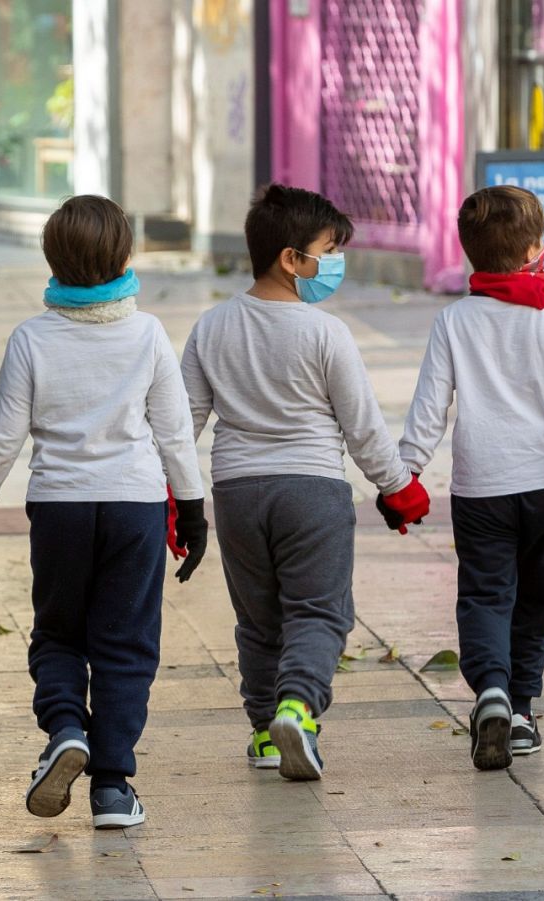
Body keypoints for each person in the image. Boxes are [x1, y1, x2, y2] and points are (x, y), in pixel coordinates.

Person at [0, 195, 207, 830]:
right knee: (125, 643)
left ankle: (67, 727)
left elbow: (3, 439)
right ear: (124, 256)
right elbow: (174, 434)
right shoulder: (147, 333)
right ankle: (114, 787)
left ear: (51, 260)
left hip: (60, 510)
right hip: (136, 506)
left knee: (60, 631)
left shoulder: (32, 338)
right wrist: (195, 511)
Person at [181, 184, 430, 782]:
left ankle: (266, 731)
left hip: (237, 493)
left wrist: (170, 493)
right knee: (319, 613)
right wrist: (399, 490)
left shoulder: (212, 326)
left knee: (258, 619)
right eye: (329, 249)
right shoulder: (326, 333)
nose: (336, 262)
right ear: (292, 259)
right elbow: (363, 427)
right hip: (312, 491)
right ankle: (298, 708)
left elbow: (181, 423)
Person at [396, 185, 544, 771]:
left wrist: (404, 474)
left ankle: (491, 692)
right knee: (537, 600)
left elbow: (429, 409)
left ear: (468, 254)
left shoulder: (454, 320)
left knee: (485, 594)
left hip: (480, 487)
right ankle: (524, 713)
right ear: (535, 249)